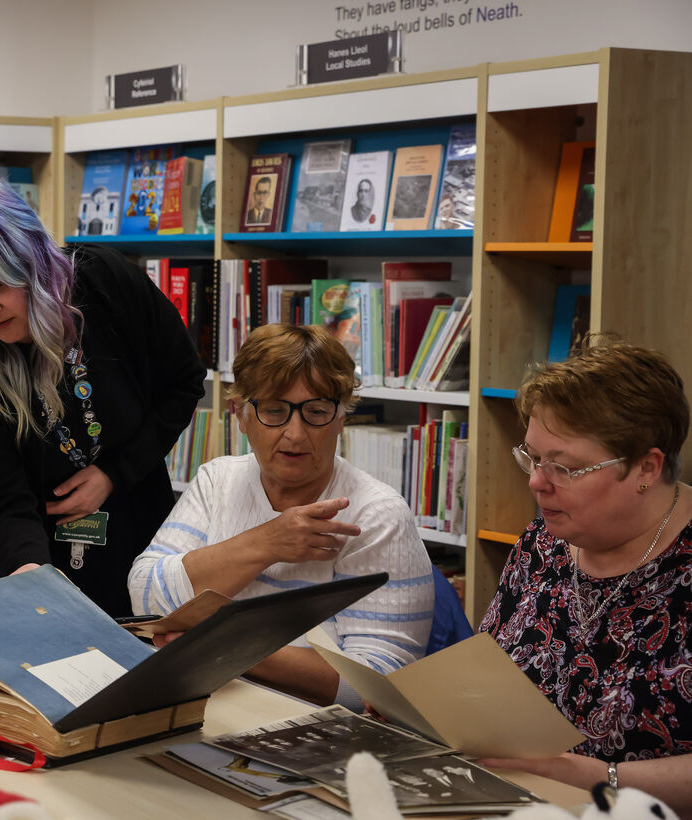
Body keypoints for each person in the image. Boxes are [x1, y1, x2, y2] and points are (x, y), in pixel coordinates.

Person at [0, 173, 206, 617]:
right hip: (17, 560)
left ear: (32, 262)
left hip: (129, 535)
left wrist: (115, 472)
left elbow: (182, 381)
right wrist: (31, 578)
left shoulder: (105, 282)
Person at [128, 324, 434, 706]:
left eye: (316, 412)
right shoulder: (218, 480)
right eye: (274, 410)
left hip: (308, 726)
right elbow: (145, 598)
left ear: (342, 418)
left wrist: (227, 642)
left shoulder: (377, 514)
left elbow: (378, 687)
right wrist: (267, 542)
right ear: (241, 415)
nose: (295, 434)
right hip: (201, 703)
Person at [477, 339, 692, 812]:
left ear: (646, 468)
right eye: (533, 458)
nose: (536, 481)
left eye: (565, 467)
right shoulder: (545, 539)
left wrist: (599, 777)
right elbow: (488, 674)